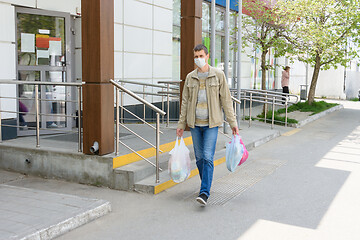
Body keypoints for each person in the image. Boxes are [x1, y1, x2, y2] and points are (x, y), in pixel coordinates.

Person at [176, 44, 239, 206]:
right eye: (196, 56)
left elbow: (226, 100)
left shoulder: (218, 75)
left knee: (207, 157)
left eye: (201, 56)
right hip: (195, 124)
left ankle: (204, 192)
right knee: (199, 158)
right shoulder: (190, 77)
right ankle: (207, 184)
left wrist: (233, 123)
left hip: (211, 124)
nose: (198, 59)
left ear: (207, 56)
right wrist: (181, 124)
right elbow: (185, 102)